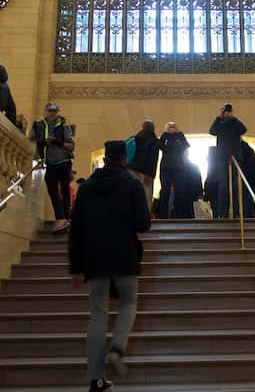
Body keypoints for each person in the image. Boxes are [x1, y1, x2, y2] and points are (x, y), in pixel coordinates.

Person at [69, 140, 151, 392]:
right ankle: (117, 348)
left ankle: (97, 380)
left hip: (94, 257)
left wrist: (75, 266)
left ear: (105, 158)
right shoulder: (132, 184)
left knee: (98, 315)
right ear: (125, 158)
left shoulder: (87, 187)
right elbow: (143, 224)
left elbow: (76, 229)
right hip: (124, 254)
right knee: (128, 302)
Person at [30, 102, 75, 233]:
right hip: (49, 163)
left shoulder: (64, 126)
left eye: (54, 111)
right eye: (50, 111)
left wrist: (57, 142)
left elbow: (71, 146)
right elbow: (31, 139)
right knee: (53, 191)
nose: (52, 113)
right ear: (46, 111)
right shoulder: (38, 125)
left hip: (64, 161)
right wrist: (43, 142)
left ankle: (65, 218)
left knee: (65, 190)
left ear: (57, 112)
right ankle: (60, 218)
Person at [209, 103, 247, 218]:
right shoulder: (219, 124)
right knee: (223, 186)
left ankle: (236, 211)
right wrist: (219, 117)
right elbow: (212, 131)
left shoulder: (235, 123)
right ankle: (223, 212)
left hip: (235, 156)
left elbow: (243, 129)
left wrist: (233, 118)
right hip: (222, 157)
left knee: (235, 186)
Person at [158, 122, 190, 219]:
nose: (172, 128)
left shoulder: (180, 136)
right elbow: (159, 146)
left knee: (180, 192)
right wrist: (166, 134)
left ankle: (180, 216)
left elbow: (186, 145)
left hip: (179, 168)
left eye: (173, 127)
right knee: (164, 192)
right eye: (170, 127)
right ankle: (162, 216)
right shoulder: (164, 136)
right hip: (166, 168)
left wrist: (178, 134)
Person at [127, 120, 160, 207]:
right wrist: (151, 175)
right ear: (153, 129)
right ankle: (145, 216)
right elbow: (153, 159)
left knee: (132, 194)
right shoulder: (154, 141)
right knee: (146, 196)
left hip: (131, 169)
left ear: (143, 127)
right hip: (145, 172)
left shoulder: (134, 138)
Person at [181, 151, 204, 218]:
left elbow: (198, 179)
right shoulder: (193, 166)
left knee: (192, 213)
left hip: (192, 193)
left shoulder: (194, 166)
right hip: (184, 193)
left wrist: (200, 193)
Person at [204, 146, 220, 218]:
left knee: (214, 208)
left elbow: (209, 177)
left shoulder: (211, 163)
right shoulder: (218, 163)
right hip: (216, 188)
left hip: (212, 188)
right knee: (216, 207)